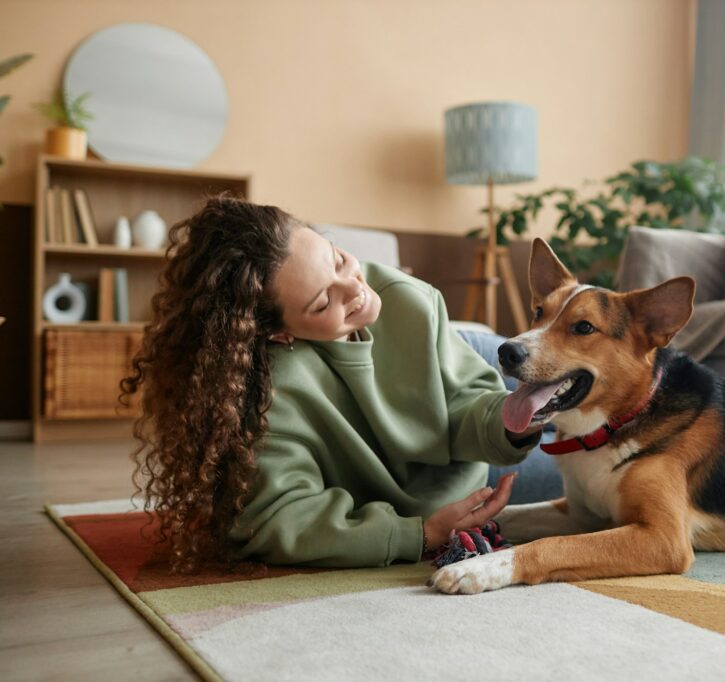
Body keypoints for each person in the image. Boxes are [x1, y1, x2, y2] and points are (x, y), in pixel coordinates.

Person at [122, 196, 543, 573]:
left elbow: (464, 399)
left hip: (469, 360)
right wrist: (420, 534)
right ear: (280, 334)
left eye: (338, 259)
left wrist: (509, 421)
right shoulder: (270, 394)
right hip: (472, 492)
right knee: (597, 487)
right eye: (323, 302)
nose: (357, 289)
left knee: (596, 405)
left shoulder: (404, 296)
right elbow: (275, 519)